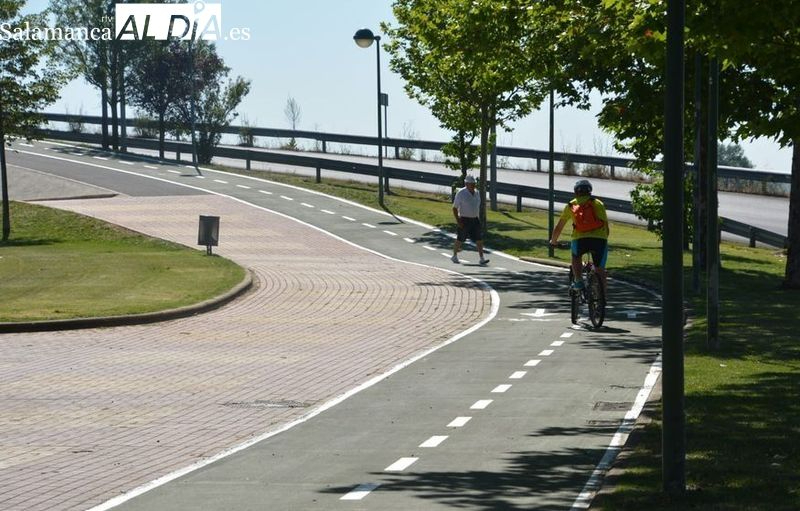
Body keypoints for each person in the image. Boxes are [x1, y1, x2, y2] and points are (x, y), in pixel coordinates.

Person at [549, 179, 609, 292]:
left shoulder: (571, 204)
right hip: (600, 240)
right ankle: (602, 299)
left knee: (576, 257)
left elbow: (559, 226)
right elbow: (606, 226)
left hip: (580, 239)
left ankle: (578, 280)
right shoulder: (598, 203)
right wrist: (604, 237)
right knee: (600, 270)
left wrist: (553, 241)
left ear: (576, 192)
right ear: (590, 191)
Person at [452, 175, 489, 265]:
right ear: (466, 184)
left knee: (479, 238)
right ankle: (454, 255)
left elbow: (477, 206)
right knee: (460, 238)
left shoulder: (477, 193)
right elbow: (455, 208)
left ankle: (482, 258)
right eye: (471, 184)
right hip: (464, 219)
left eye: (474, 184)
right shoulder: (461, 193)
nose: (473, 185)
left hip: (475, 219)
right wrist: (458, 221)